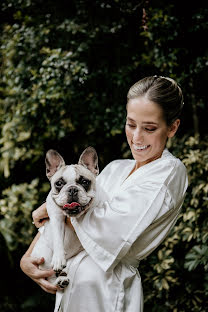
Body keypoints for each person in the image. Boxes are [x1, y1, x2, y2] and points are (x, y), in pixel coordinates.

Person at [20, 75, 188, 312]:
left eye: (149, 128)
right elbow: (67, 213)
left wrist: (50, 206)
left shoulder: (169, 173)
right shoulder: (116, 168)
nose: (137, 137)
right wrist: (28, 259)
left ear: (172, 127)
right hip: (70, 283)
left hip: (106, 289)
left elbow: (109, 228)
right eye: (131, 124)